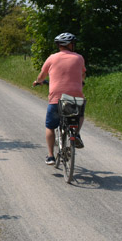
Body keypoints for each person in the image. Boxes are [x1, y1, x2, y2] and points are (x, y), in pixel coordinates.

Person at [33, 32, 86, 165]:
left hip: (56, 98)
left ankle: (50, 156)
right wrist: (81, 82)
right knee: (79, 115)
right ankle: (76, 133)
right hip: (75, 97)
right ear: (69, 44)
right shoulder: (79, 58)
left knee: (50, 126)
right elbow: (83, 75)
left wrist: (38, 81)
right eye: (73, 43)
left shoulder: (52, 58)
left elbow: (42, 76)